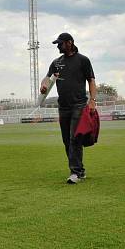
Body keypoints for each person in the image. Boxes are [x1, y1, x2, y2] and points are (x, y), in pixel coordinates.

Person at [40, 32, 97, 184]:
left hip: (79, 105)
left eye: (60, 43)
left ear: (70, 42)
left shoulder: (83, 60)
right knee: (67, 140)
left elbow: (91, 80)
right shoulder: (56, 62)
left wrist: (93, 100)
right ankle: (80, 170)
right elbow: (47, 78)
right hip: (63, 106)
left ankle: (75, 172)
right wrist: (43, 86)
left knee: (74, 138)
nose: (58, 46)